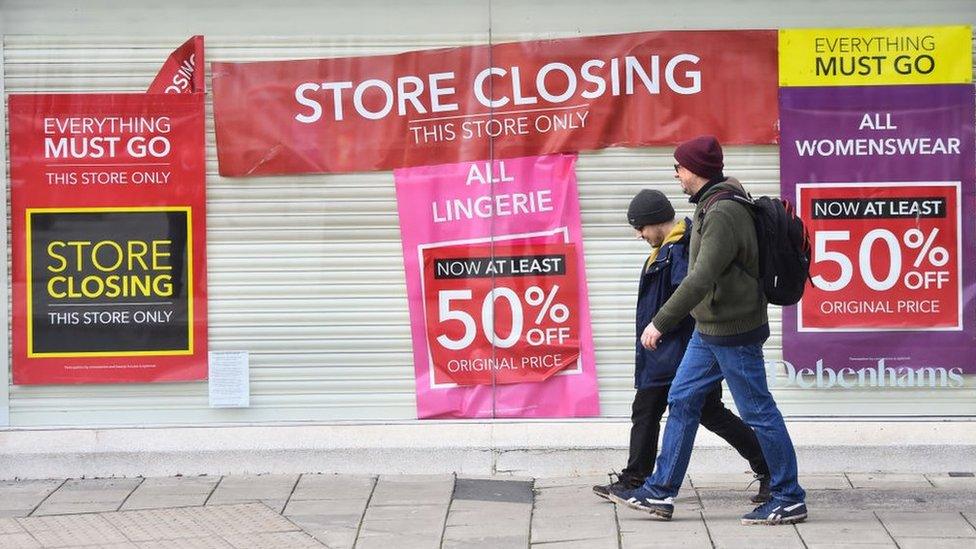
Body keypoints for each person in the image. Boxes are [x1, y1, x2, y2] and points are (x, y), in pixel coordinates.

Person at [608, 136, 808, 525]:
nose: (677, 175)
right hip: (708, 327)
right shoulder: (710, 204)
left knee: (758, 411)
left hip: (733, 329)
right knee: (682, 399)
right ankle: (661, 492)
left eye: (679, 168)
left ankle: (788, 495)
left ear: (696, 170)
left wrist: (660, 322)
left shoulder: (722, 212)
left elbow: (700, 277)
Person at [593, 189, 770, 504]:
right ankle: (767, 467)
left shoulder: (679, 251)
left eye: (640, 228)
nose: (638, 235)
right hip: (673, 350)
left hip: (674, 352)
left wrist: (660, 329)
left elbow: (689, 299)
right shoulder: (671, 246)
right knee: (710, 413)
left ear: (654, 222)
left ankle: (637, 478)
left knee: (647, 409)